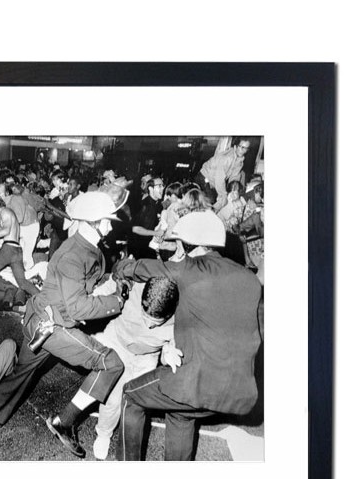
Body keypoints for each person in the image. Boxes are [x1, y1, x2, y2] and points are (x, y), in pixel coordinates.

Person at [0, 191, 128, 459]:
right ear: (91, 222)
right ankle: (64, 422)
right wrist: (117, 301)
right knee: (111, 363)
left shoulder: (85, 248)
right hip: (54, 328)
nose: (111, 226)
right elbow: (78, 307)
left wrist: (111, 279)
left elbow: (85, 287)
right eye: (106, 221)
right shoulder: (76, 255)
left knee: (21, 373)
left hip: (41, 322)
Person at [112, 210, 262, 460]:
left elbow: (140, 269)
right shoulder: (250, 279)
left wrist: (120, 268)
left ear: (186, 243)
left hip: (196, 384)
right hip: (239, 392)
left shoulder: (187, 269)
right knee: (179, 412)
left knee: (130, 395)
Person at [91, 277, 178, 460]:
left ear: (169, 315)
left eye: (155, 323)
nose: (148, 325)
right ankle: (103, 434)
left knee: (136, 405)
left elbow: (170, 348)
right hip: (118, 344)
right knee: (112, 397)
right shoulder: (131, 288)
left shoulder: (181, 317)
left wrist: (168, 353)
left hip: (147, 357)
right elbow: (100, 293)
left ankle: (127, 452)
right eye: (145, 318)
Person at [196, 137, 251, 208]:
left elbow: (234, 179)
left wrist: (234, 191)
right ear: (235, 146)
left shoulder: (240, 162)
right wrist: (223, 195)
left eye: (246, 148)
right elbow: (219, 179)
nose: (243, 151)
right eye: (242, 147)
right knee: (210, 202)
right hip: (204, 177)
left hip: (214, 182)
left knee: (220, 201)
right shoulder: (226, 158)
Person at [129, 176, 165, 258]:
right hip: (141, 249)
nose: (162, 188)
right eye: (159, 186)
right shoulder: (145, 206)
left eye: (163, 186)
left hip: (148, 247)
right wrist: (156, 233)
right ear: (150, 189)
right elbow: (135, 229)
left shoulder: (157, 205)